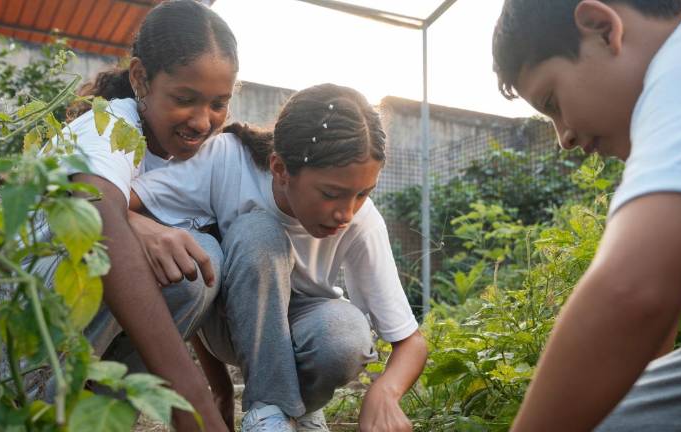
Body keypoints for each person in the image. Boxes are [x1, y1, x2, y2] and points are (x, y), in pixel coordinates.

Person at [129, 83, 429, 432]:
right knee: (257, 233)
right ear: (280, 168)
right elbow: (117, 201)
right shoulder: (227, 160)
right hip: (231, 324)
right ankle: (269, 410)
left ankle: (294, 410)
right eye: (331, 194)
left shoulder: (362, 221)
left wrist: (385, 392)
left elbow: (410, 341)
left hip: (302, 327)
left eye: (362, 194)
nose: (346, 213)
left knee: (346, 336)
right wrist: (221, 385)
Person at [491, 0, 681, 430]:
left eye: (552, 101)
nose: (564, 138)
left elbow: (632, 290)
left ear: (601, 28)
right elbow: (659, 295)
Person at [31, 1, 238, 430]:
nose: (203, 121)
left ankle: (101, 412)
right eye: (185, 99)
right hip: (22, 323)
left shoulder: (205, 160)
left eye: (219, 103)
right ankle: (38, 394)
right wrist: (191, 403)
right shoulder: (107, 127)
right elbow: (98, 222)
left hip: (82, 337)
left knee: (198, 259)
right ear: (141, 77)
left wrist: (220, 389)